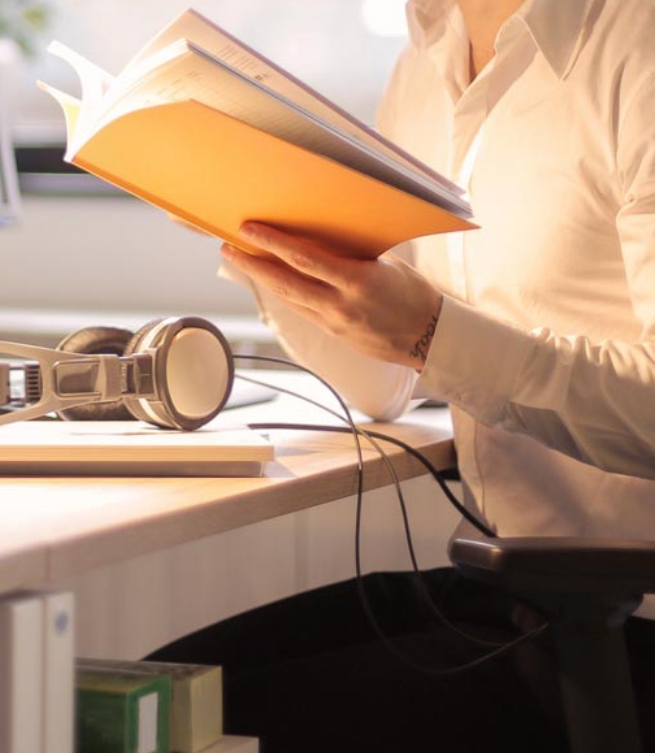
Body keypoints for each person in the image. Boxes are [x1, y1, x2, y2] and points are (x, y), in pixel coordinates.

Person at [147, 0, 655, 750]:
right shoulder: (425, 59)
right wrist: (265, 244)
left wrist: (431, 333)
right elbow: (384, 381)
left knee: (172, 727)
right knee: (149, 694)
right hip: (503, 594)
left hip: (621, 627)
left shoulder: (634, 43)